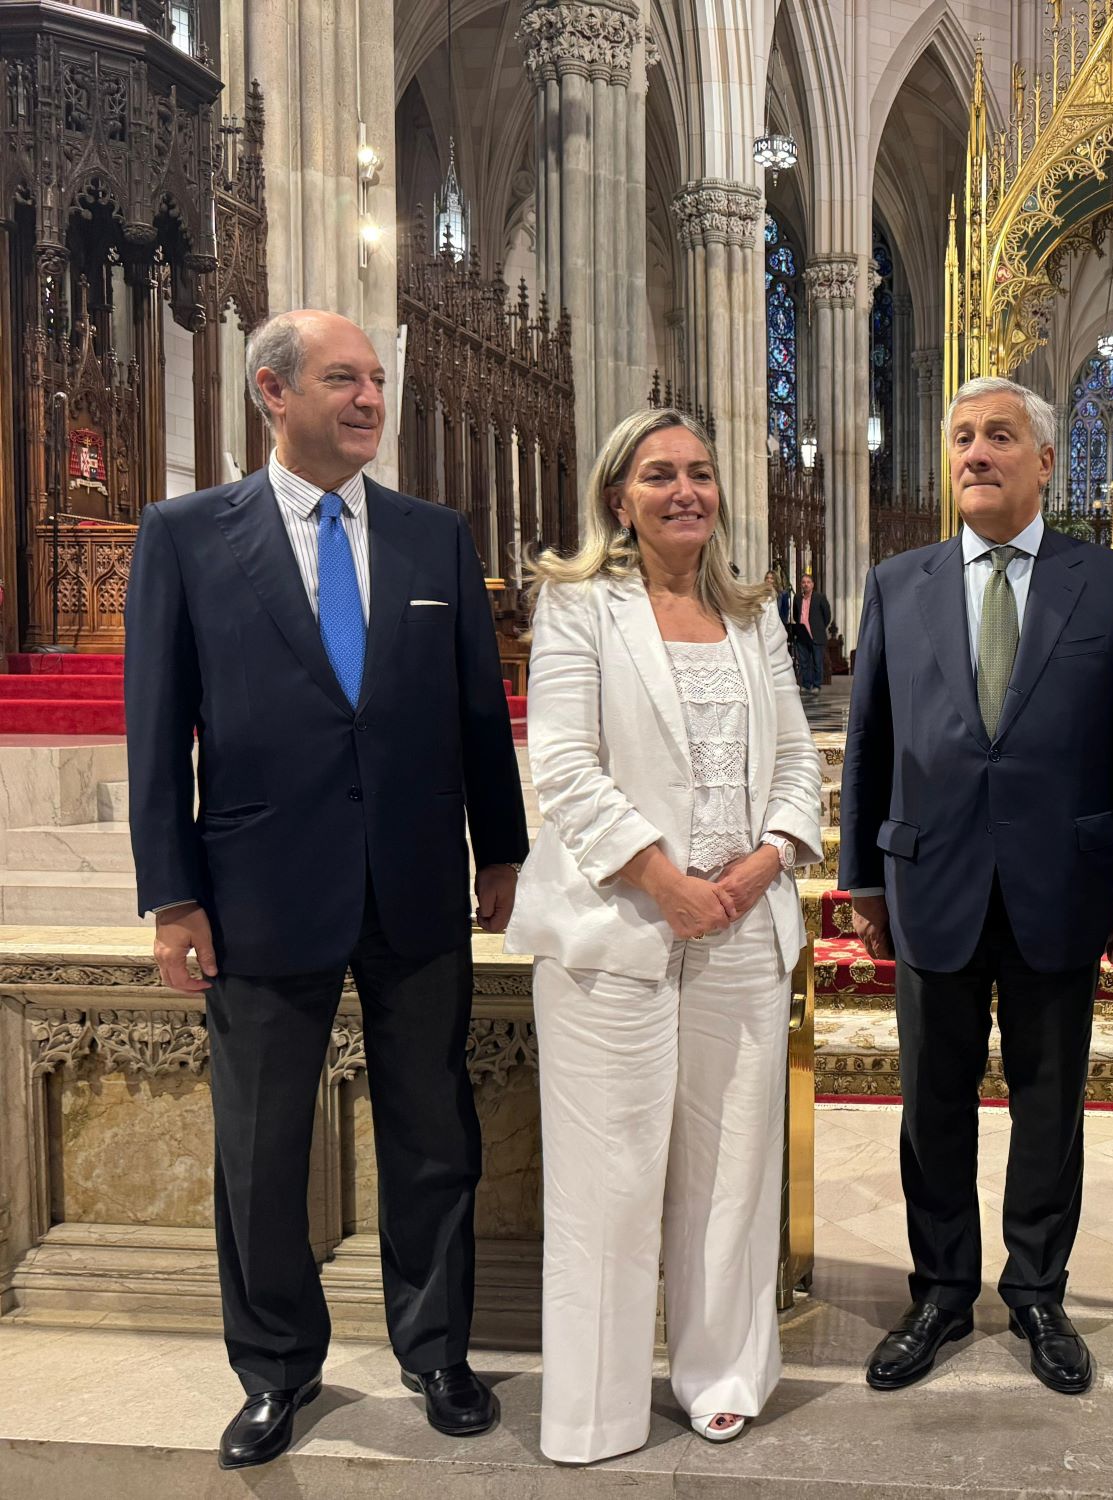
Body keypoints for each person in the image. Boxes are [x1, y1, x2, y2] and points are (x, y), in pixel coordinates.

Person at [124, 309, 528, 1470]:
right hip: (257, 888)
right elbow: (158, 737)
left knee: (431, 1131)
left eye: (374, 381)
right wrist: (173, 897)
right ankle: (274, 1369)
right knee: (259, 1147)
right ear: (272, 394)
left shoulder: (431, 536)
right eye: (342, 379)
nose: (368, 398)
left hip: (411, 883)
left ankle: (436, 1351)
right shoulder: (189, 535)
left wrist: (498, 849)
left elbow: (471, 715)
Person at [841, 375, 1113, 1396]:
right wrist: (860, 877)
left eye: (997, 437)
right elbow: (870, 742)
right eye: (961, 439)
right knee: (931, 1105)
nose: (975, 454)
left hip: (1059, 884)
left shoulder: (1106, 583)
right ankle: (940, 1290)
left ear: (1042, 459)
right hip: (929, 879)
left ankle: (1035, 1290)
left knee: (1047, 1104)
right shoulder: (898, 583)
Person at [507, 408, 823, 1459]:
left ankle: (722, 1370)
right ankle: (594, 1406)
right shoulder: (577, 604)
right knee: (609, 1173)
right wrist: (663, 879)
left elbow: (797, 762)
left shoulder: (752, 615)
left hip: (742, 920)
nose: (683, 489)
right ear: (618, 499)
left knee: (733, 1169)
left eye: (698, 472)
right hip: (618, 925)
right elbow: (560, 762)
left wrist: (763, 859)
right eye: (658, 475)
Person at [788, 571, 830, 691]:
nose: (806, 584)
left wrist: (820, 627)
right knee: (804, 662)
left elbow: (827, 615)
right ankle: (806, 684)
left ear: (812, 584)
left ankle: (816, 685)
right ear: (801, 584)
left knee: (817, 662)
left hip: (816, 634)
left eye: (808, 582)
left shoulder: (820, 597)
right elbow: (796, 615)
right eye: (803, 582)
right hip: (802, 634)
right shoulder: (797, 598)